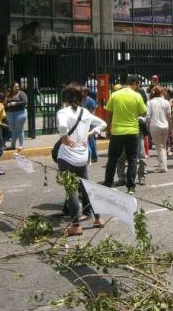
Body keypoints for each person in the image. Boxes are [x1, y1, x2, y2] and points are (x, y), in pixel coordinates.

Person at [56, 82, 104, 236]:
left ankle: (76, 226)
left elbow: (63, 126)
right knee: (86, 188)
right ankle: (98, 218)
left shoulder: (63, 112)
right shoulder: (85, 113)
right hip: (83, 156)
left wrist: (64, 136)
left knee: (72, 191)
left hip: (67, 157)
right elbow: (103, 124)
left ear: (67, 98)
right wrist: (90, 133)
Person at [104, 75, 147, 194]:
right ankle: (131, 187)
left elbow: (109, 113)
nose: (138, 86)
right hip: (132, 132)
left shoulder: (115, 94)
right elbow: (143, 113)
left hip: (117, 132)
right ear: (133, 83)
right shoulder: (137, 96)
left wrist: (108, 128)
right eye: (137, 84)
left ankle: (107, 183)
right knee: (132, 159)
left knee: (112, 159)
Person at [147, 86, 172, 172]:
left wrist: (147, 126)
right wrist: (171, 128)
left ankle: (163, 166)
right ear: (161, 92)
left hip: (155, 126)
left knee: (159, 147)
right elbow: (169, 117)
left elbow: (148, 116)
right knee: (163, 147)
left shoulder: (150, 102)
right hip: (165, 126)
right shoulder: (166, 102)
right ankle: (163, 165)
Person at [5, 82, 28, 151]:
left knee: (19, 130)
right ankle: (12, 145)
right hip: (10, 113)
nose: (17, 88)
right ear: (12, 87)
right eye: (16, 87)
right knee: (13, 130)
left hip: (20, 113)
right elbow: (5, 102)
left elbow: (25, 102)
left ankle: (21, 145)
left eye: (18, 86)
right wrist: (7, 104)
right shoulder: (8, 94)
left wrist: (15, 103)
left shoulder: (21, 93)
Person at [82, 87, 99, 162]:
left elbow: (93, 113)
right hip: (83, 122)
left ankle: (94, 156)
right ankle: (89, 156)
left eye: (83, 92)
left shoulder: (90, 101)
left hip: (89, 122)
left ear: (86, 92)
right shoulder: (81, 100)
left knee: (91, 139)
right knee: (87, 139)